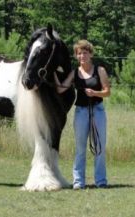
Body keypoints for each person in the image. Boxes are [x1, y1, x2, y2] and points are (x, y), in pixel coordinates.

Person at [54, 39, 110, 189]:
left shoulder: (100, 70)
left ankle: (101, 181)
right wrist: (52, 73)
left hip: (97, 110)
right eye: (79, 54)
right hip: (81, 112)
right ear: (76, 56)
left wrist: (95, 93)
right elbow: (61, 88)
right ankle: (78, 182)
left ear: (90, 54)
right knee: (80, 148)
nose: (82, 56)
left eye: (85, 53)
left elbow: (107, 92)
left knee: (99, 146)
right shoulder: (75, 72)